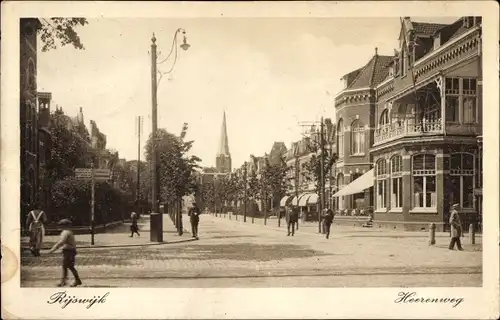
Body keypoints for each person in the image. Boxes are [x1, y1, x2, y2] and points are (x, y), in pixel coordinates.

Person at [48, 219, 82, 287]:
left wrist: (53, 249)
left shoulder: (66, 232)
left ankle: (65, 281)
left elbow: (61, 242)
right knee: (68, 266)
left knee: (66, 266)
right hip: (70, 251)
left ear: (65, 225)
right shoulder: (68, 232)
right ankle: (70, 281)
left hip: (69, 251)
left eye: (61, 225)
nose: (59, 227)